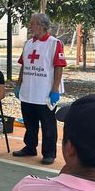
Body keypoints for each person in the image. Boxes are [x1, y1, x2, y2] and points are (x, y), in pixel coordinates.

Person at [13, 13, 67, 165]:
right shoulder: (28, 44)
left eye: (33, 23)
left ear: (42, 26)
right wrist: (19, 84)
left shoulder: (54, 43)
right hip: (28, 91)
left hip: (45, 92)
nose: (30, 26)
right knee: (30, 123)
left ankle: (49, 153)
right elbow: (24, 65)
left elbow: (59, 67)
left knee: (48, 125)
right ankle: (30, 147)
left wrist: (55, 90)